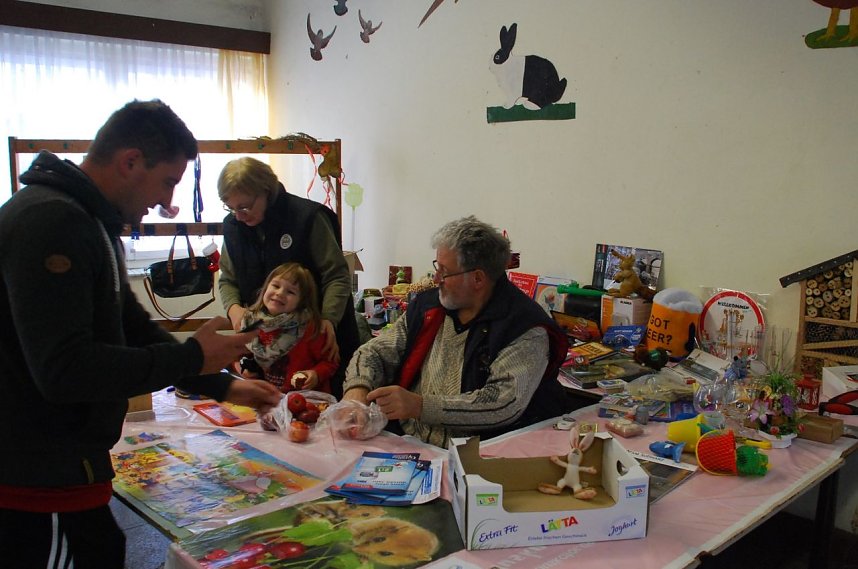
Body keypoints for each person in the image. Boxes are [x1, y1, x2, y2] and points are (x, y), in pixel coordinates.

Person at [0, 100, 282, 569]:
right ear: (130, 161)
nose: (166, 200)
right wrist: (192, 358)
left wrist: (223, 383)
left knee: (105, 549)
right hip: (34, 473)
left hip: (64, 462)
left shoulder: (89, 221)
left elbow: (131, 327)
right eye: (167, 181)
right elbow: (65, 371)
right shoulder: (52, 221)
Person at [341, 215, 570, 448]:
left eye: (445, 272)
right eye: (436, 267)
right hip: (408, 440)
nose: (436, 278)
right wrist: (357, 391)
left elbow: (502, 403)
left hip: (477, 454)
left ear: (478, 278)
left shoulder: (525, 328)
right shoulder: (429, 306)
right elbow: (375, 351)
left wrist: (419, 406)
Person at [218, 156, 360, 399]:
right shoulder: (234, 227)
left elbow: (336, 275)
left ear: (266, 191)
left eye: (244, 207)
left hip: (314, 343)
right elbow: (227, 279)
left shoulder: (307, 218)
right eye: (231, 208)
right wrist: (233, 309)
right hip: (266, 347)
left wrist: (328, 319)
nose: (238, 216)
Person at [239, 262, 338, 394]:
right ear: (265, 288)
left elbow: (331, 362)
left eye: (290, 291)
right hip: (269, 399)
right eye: (275, 286)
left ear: (302, 301)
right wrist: (246, 369)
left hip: (308, 402)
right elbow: (243, 356)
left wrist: (315, 374)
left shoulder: (311, 328)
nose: (280, 293)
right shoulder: (251, 323)